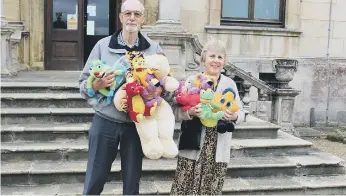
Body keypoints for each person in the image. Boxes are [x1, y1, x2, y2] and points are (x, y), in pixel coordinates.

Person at [78, 0, 166, 195]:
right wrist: (96, 84)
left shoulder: (153, 48)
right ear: (120, 17)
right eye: (128, 13)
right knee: (95, 178)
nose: (132, 18)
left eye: (136, 14)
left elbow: (166, 82)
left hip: (137, 125)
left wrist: (159, 90)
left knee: (132, 183)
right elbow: (83, 85)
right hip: (105, 121)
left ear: (143, 19)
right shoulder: (102, 46)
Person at [170, 38, 245, 195]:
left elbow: (242, 113)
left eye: (220, 57)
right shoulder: (192, 81)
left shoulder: (229, 84)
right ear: (203, 58)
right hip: (192, 146)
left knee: (210, 191)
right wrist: (189, 113)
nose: (216, 61)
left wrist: (233, 116)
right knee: (183, 190)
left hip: (217, 149)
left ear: (224, 61)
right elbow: (174, 110)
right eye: (212, 56)